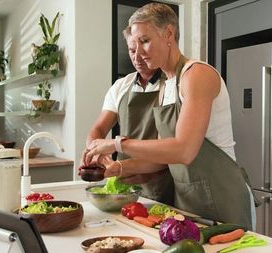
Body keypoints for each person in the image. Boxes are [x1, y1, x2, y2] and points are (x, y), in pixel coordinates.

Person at [83, 3, 256, 228]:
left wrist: (117, 145)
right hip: (187, 204)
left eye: (145, 41)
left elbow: (184, 150)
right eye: (134, 44)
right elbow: (164, 156)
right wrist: (119, 169)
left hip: (224, 200)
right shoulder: (167, 86)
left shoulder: (197, 74)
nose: (139, 52)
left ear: (169, 34)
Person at [81, 26, 174, 205]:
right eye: (132, 50)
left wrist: (118, 164)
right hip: (124, 185)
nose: (136, 57)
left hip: (162, 182)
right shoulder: (121, 86)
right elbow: (98, 129)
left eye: (142, 47)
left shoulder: (171, 84)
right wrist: (98, 155)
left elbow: (169, 149)